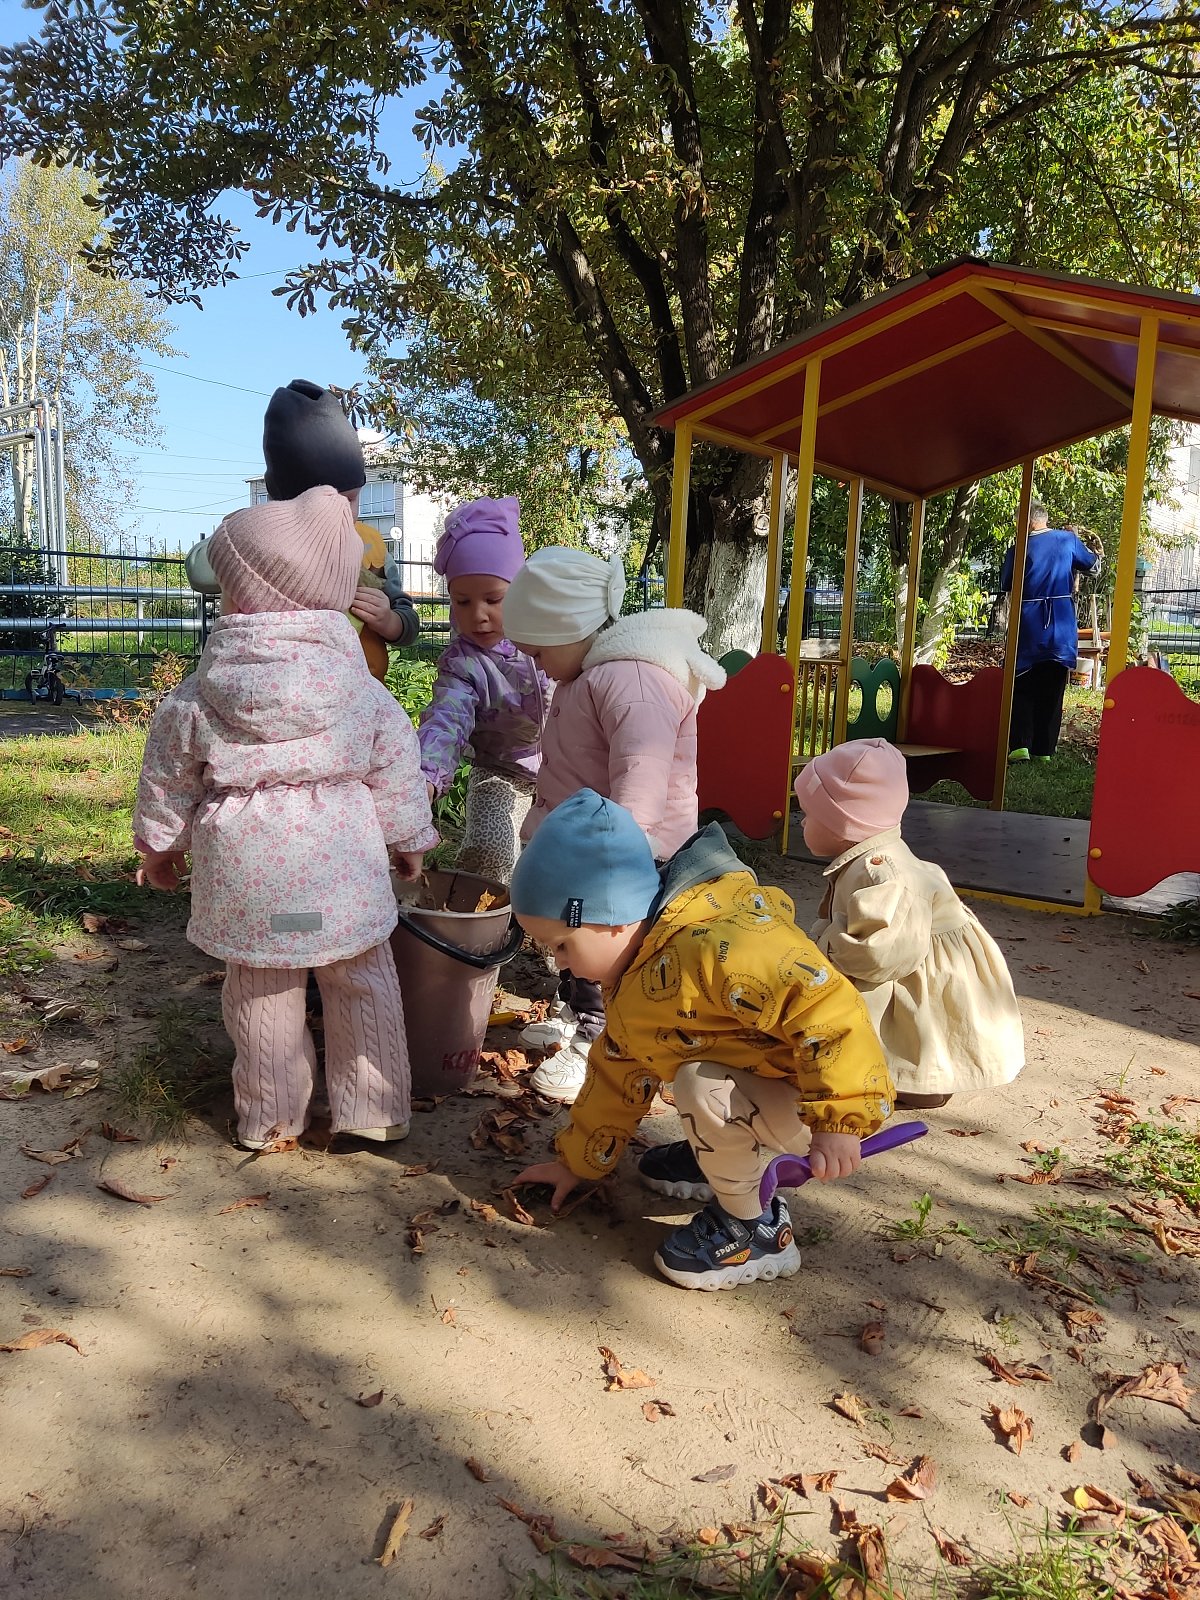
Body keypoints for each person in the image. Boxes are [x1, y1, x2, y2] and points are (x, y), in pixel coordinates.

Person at [134, 488, 438, 1150]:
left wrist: (160, 846)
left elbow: (169, 772)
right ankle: (375, 1108)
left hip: (250, 874)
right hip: (342, 867)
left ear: (239, 592)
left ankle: (270, 1117)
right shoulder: (360, 686)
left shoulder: (204, 689)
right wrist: (409, 838)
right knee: (362, 979)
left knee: (262, 989)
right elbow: (395, 762)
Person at [509, 790, 894, 1290]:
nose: (559, 963)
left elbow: (829, 1007)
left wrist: (840, 1120)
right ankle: (721, 1154)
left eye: (562, 945)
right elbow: (617, 1073)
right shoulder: (638, 965)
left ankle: (755, 1227)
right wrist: (578, 1165)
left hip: (818, 1105)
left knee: (698, 1082)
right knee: (698, 1078)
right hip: (770, 1090)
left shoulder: (719, 945)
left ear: (610, 915)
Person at [501, 548, 726, 1102]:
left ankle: (598, 1041)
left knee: (603, 945)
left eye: (539, 651)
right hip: (587, 846)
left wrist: (621, 850)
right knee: (570, 939)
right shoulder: (591, 674)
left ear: (571, 628)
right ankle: (574, 1015)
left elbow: (641, 771)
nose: (536, 664)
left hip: (623, 854)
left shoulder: (632, 679)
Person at [794, 739, 1024, 1109]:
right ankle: (914, 1077)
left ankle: (917, 1082)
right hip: (916, 956)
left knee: (914, 1022)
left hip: (916, 965)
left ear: (843, 823)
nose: (802, 822)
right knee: (909, 1019)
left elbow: (881, 956)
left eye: (808, 814)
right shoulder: (867, 859)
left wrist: (828, 945)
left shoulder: (883, 874)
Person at [186, 379, 420, 678]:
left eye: (350, 498)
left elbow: (405, 614)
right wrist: (241, 532)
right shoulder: (261, 537)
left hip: (357, 691)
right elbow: (200, 572)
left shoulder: (368, 545)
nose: (340, 512)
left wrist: (390, 621)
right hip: (272, 686)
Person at [418, 497, 550, 883]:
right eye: (462, 601)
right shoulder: (462, 664)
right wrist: (426, 775)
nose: (478, 615)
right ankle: (481, 911)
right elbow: (446, 718)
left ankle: (550, 918)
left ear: (521, 592)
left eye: (494, 599)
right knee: (491, 852)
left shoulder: (551, 638)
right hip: (500, 770)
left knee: (563, 860)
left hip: (569, 768)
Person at [1000, 500, 1100, 761]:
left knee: (1021, 682)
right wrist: (1084, 545)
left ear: (1028, 521)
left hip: (1028, 622)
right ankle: (1044, 750)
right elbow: (1093, 567)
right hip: (1060, 623)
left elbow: (1006, 582)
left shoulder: (1018, 548)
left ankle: (1020, 745)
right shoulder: (1067, 540)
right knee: (1053, 685)